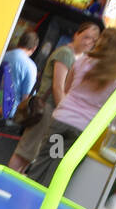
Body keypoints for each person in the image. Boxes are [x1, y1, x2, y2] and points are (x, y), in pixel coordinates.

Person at [26, 28, 116, 187]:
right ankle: (40, 206)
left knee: (45, 160)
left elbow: (67, 88)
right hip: (84, 130)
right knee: (59, 170)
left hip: (62, 120)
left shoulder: (83, 61)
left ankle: (21, 197)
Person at [9, 21, 99, 174]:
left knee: (32, 155)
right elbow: (58, 86)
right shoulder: (66, 53)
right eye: (86, 37)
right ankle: (5, 184)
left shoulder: (79, 58)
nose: (88, 42)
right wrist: (64, 113)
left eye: (93, 40)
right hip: (47, 109)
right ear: (76, 34)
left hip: (54, 111)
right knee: (25, 152)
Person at [0, 30, 39, 124]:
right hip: (9, 114)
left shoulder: (2, 55)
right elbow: (26, 98)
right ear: (34, 48)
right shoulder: (30, 67)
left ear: (19, 42)